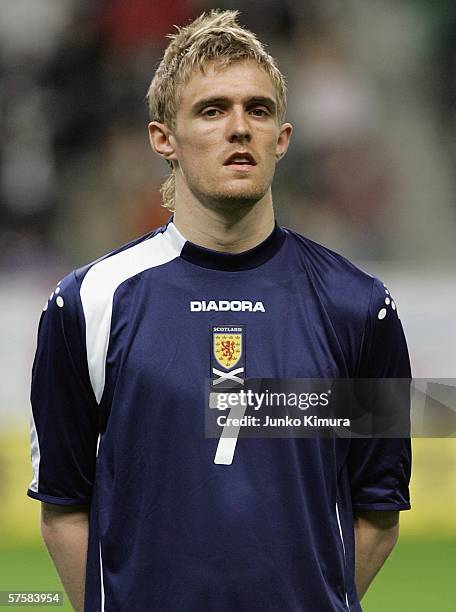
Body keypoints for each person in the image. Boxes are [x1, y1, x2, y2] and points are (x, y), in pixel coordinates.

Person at [28, 10, 411, 612]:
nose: (239, 128)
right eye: (212, 110)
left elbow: (378, 512)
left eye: (258, 110)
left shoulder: (359, 307)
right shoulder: (86, 303)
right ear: (164, 139)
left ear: (281, 139)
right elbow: (63, 505)